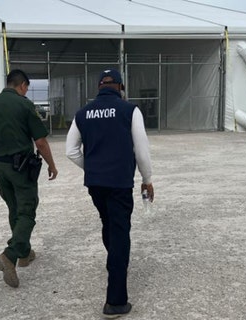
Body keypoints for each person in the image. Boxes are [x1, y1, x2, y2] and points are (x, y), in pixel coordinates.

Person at [65, 69, 154, 318]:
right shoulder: (130, 111)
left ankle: (114, 261)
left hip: (96, 184)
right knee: (120, 231)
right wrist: (147, 180)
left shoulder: (82, 114)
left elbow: (71, 151)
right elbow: (142, 150)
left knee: (108, 224)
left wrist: (92, 168)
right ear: (120, 87)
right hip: (119, 183)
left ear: (99, 87)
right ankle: (115, 301)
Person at [0, 69, 58, 288]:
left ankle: (25, 253)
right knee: (27, 210)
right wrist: (52, 164)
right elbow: (40, 141)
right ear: (22, 85)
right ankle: (10, 256)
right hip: (20, 167)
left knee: (14, 208)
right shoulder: (24, 105)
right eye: (26, 88)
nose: (26, 92)